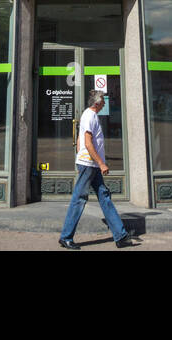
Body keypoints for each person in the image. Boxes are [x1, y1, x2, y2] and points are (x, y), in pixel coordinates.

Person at [58, 89, 138, 250]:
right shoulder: (89, 116)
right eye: (103, 101)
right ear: (97, 103)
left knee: (104, 196)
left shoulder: (91, 116)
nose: (105, 104)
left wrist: (82, 156)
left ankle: (120, 236)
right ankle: (66, 237)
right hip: (89, 165)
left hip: (90, 164)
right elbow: (87, 143)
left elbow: (81, 139)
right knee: (79, 199)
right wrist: (100, 163)